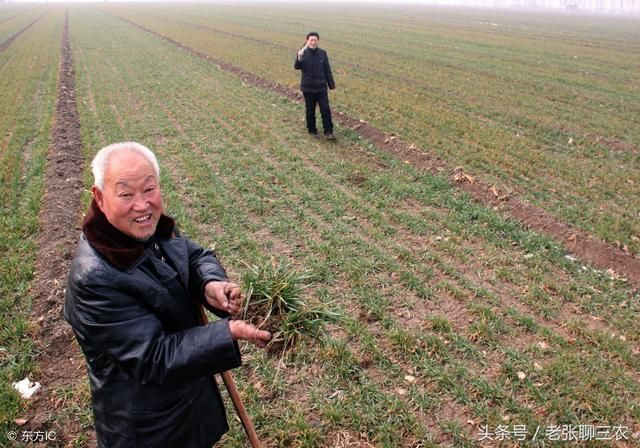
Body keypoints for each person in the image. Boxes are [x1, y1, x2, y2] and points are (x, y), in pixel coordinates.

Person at [64, 142, 271, 448]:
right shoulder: (94, 279)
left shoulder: (150, 229)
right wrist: (228, 331)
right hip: (150, 426)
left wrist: (209, 284)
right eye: (126, 194)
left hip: (185, 398)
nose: (142, 205)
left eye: (149, 189)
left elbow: (193, 256)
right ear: (100, 197)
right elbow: (154, 357)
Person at [294, 31, 336, 140]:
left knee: (325, 109)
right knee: (310, 110)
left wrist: (331, 84)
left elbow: (327, 70)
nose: (313, 42)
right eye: (311, 40)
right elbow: (297, 67)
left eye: (315, 40)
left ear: (318, 41)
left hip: (321, 87)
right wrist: (299, 57)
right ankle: (312, 130)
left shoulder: (323, 53)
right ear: (307, 41)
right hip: (308, 88)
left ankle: (329, 132)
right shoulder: (302, 53)